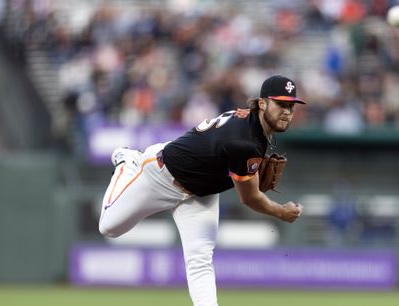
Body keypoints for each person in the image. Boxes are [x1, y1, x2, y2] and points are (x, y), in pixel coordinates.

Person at [98, 75, 305, 306]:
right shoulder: (245, 142)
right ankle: (128, 160)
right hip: (162, 175)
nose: (287, 111)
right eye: (281, 104)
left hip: (201, 193)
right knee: (109, 227)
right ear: (263, 103)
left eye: (291, 106)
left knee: (200, 259)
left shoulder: (252, 127)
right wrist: (281, 212)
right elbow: (249, 198)